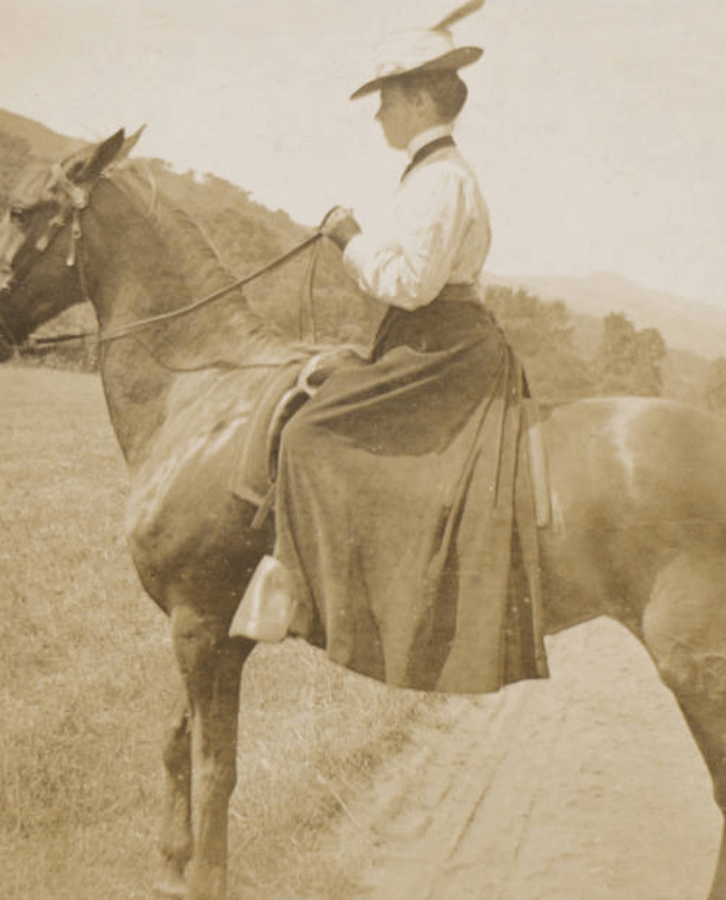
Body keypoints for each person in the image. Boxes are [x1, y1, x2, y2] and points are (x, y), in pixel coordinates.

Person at [230, 2, 548, 693]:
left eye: (385, 101)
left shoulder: (441, 178)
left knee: (310, 432)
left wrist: (349, 237)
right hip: (426, 341)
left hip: (441, 347)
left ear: (417, 97)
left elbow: (409, 282)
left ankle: (299, 597)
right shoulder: (431, 173)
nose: (377, 116)